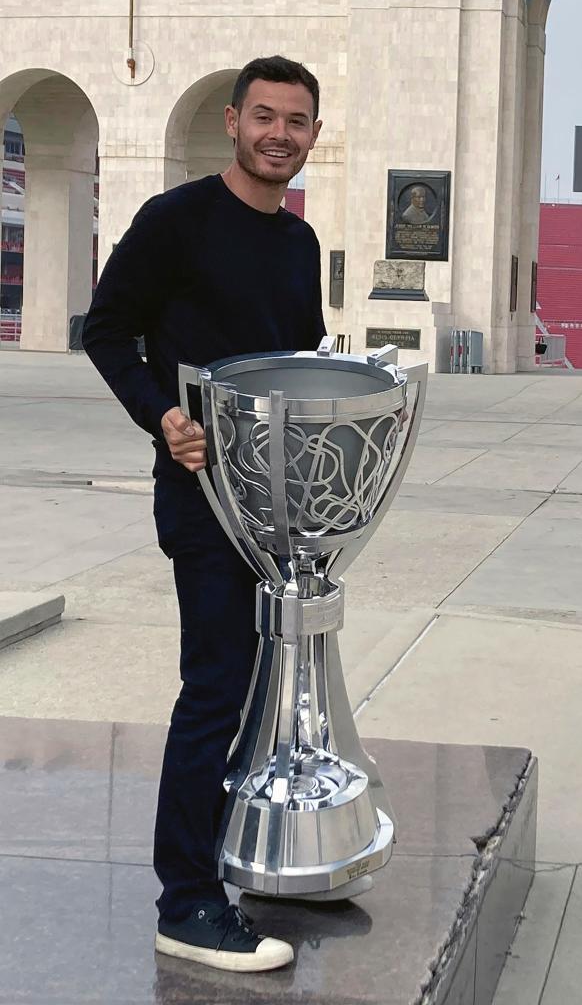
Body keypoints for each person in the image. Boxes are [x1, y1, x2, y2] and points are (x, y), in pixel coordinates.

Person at [83, 56, 325, 973]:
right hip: (201, 497)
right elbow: (106, 328)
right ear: (232, 121)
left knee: (269, 694)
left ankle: (245, 854)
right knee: (216, 691)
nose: (279, 134)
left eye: (296, 122)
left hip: (283, 508)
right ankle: (185, 902)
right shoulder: (175, 221)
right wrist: (163, 417)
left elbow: (296, 367)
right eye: (264, 116)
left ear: (312, 135)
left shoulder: (299, 247)